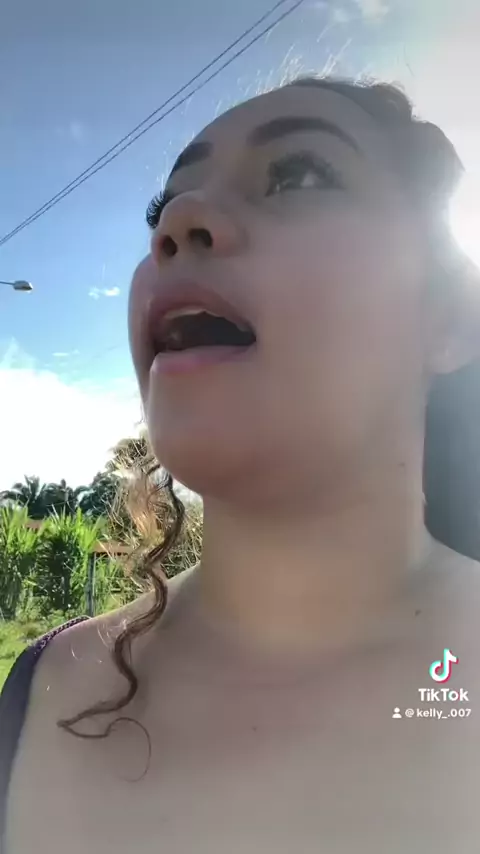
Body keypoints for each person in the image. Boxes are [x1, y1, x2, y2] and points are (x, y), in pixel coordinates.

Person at [1, 74, 480, 853]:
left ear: (449, 315)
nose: (178, 223)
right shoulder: (39, 690)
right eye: (162, 210)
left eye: (299, 176)